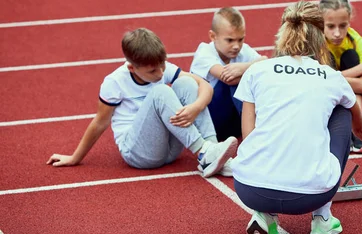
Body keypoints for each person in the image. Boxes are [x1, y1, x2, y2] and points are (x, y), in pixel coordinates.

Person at [232, 0, 362, 234]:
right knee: (342, 108)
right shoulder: (331, 77)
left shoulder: (257, 71)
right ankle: (322, 220)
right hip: (309, 196)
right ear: (320, 36)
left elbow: (249, 135)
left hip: (248, 187)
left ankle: (265, 218)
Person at [47, 28, 238, 177]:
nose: (161, 73)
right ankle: (205, 154)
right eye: (152, 71)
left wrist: (196, 108)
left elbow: (205, 86)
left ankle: (213, 155)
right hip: (139, 153)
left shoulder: (161, 68)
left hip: (170, 150)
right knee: (160, 91)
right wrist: (74, 158)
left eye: (162, 65)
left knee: (187, 83)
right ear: (132, 67)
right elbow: (100, 122)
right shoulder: (114, 82)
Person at [190, 7, 266, 143]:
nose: (236, 46)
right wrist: (250, 68)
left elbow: (265, 63)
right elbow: (228, 78)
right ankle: (255, 137)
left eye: (240, 39)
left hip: (234, 120)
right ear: (213, 36)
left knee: (259, 81)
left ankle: (260, 128)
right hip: (210, 123)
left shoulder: (243, 51)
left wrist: (244, 67)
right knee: (237, 84)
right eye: (230, 40)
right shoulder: (204, 53)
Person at [318, 0, 362, 154]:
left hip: (345, 92)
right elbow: (319, 81)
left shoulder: (359, 43)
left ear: (350, 20)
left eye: (343, 25)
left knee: (350, 56)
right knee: (328, 59)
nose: (337, 33)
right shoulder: (315, 43)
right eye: (330, 26)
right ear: (320, 23)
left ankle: (357, 128)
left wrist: (331, 78)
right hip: (321, 96)